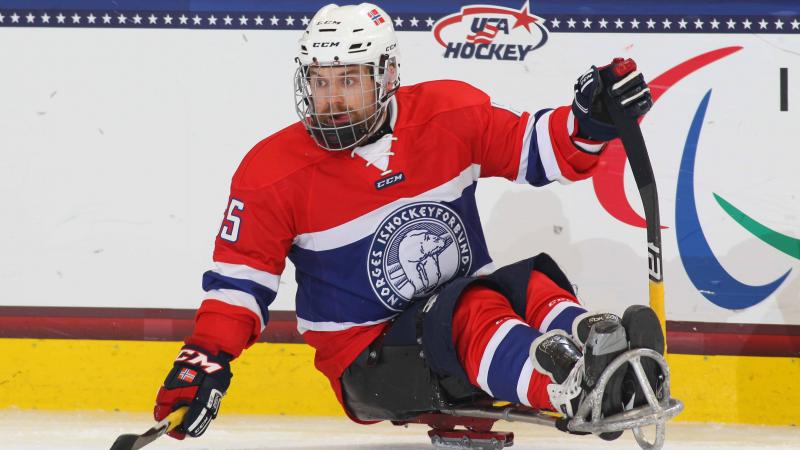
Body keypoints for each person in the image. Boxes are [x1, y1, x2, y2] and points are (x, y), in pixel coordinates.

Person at [153, 2, 664, 441]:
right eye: (320, 81)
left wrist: (591, 118)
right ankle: (567, 388)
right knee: (474, 305)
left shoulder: (447, 114)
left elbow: (538, 149)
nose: (331, 100)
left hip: (449, 318)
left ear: (387, 77)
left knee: (527, 281)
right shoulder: (270, 174)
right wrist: (203, 361)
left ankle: (605, 358)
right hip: (369, 362)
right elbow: (238, 288)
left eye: (349, 80)